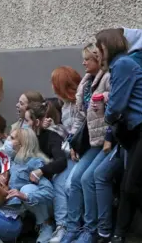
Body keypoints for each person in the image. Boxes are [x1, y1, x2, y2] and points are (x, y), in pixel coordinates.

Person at [96, 29, 142, 243]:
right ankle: (119, 235)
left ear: (106, 47)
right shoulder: (121, 64)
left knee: (132, 186)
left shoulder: (122, 64)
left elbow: (117, 105)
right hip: (141, 128)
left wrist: (106, 115)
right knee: (128, 186)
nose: (97, 54)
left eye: (99, 48)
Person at [61, 43, 111, 243]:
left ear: (98, 59)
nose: (83, 62)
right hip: (90, 143)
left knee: (87, 179)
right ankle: (73, 227)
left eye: (87, 59)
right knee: (74, 181)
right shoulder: (86, 82)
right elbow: (80, 118)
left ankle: (90, 229)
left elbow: (113, 110)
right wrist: (73, 141)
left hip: (105, 142)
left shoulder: (107, 79)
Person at [48, 66, 83, 243]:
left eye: (54, 83)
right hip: (70, 153)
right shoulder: (65, 105)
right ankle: (62, 226)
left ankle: (78, 226)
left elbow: (77, 133)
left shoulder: (78, 104)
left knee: (71, 185)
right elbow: (68, 132)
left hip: (80, 154)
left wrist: (66, 146)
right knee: (58, 182)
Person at [24, 102, 67, 242]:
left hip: (46, 188)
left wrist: (41, 171)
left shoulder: (51, 136)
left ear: (36, 122)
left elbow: (61, 161)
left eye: (26, 120)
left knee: (28, 190)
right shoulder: (25, 136)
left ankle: (53, 226)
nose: (23, 124)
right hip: (29, 183)